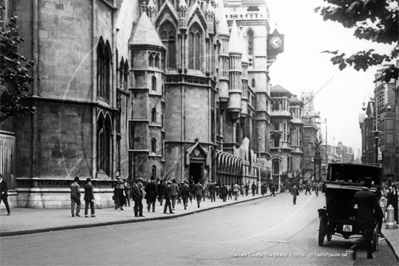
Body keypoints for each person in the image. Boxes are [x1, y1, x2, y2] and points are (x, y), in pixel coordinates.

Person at [346, 177, 383, 260]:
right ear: (370, 185)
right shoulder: (371, 195)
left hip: (360, 218)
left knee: (366, 236)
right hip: (369, 219)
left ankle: (369, 254)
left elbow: (352, 207)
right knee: (367, 237)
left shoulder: (357, 194)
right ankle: (353, 247)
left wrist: (356, 214)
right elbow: (377, 208)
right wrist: (379, 215)